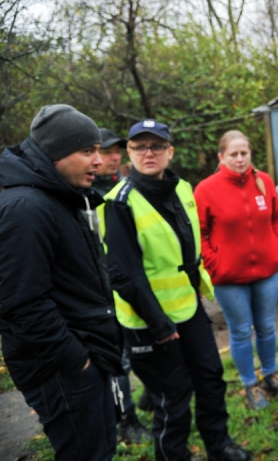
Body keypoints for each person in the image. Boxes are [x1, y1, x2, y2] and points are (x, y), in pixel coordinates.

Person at [102, 120, 249, 461]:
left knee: (211, 377)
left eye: (156, 146)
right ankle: (174, 455)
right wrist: (159, 325)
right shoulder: (119, 202)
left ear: (169, 151)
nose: (148, 153)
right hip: (148, 320)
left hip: (187, 306)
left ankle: (219, 444)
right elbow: (123, 275)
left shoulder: (182, 187)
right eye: (140, 147)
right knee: (172, 396)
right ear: (130, 153)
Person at [0, 104, 123, 461]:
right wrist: (77, 363)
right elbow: (22, 305)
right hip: (62, 370)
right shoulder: (25, 207)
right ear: (55, 153)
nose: (99, 161)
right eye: (88, 151)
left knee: (99, 450)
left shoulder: (62, 198)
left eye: (98, 150)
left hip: (85, 357)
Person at [194, 130, 278, 411]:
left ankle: (271, 374)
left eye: (244, 153)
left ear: (250, 154)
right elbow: (199, 233)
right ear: (221, 157)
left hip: (266, 271)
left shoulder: (263, 182)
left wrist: (277, 247)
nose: (239, 159)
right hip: (229, 278)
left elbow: (277, 216)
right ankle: (250, 385)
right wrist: (215, 263)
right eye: (233, 154)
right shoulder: (206, 189)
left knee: (266, 327)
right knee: (240, 331)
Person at [93, 127, 153, 444]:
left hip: (127, 285)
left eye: (117, 151)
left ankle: (149, 397)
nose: (113, 157)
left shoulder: (124, 185)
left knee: (140, 347)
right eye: (106, 152)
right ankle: (126, 420)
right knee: (120, 359)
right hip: (101, 292)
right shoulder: (86, 194)